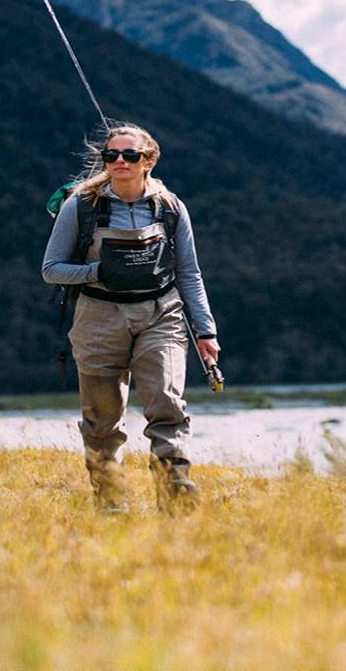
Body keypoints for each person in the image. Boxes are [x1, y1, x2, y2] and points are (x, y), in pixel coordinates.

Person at [41, 123, 221, 513]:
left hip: (162, 313)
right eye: (111, 155)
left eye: (130, 155)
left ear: (148, 161)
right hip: (98, 316)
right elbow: (51, 268)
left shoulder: (170, 207)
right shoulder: (81, 206)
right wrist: (99, 272)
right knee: (102, 418)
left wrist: (205, 330)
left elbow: (189, 272)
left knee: (167, 402)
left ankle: (175, 491)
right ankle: (110, 503)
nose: (119, 161)